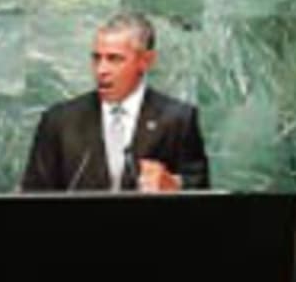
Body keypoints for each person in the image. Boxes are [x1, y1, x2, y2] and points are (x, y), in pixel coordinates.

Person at [20, 12, 210, 193]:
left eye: (114, 59)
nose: (101, 70)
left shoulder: (178, 119)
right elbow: (34, 192)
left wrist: (174, 185)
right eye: (96, 58)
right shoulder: (60, 121)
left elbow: (200, 185)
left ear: (146, 61)